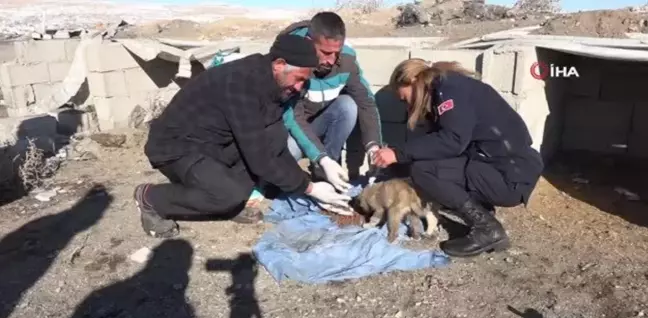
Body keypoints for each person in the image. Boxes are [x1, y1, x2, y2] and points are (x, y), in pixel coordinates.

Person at [134, 34, 353, 239]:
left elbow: (273, 147)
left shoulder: (275, 85)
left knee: (273, 141)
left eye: (304, 81)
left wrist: (320, 165)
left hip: (215, 144)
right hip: (177, 147)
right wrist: (311, 188)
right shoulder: (240, 84)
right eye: (298, 79)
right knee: (227, 195)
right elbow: (260, 159)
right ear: (279, 64)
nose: (299, 87)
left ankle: (228, 201)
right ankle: (151, 198)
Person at [373, 59, 544, 257]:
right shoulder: (445, 88)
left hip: (509, 177)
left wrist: (397, 154)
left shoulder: (450, 91)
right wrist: (397, 166)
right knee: (428, 170)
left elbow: (452, 141)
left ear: (412, 80)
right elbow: (432, 144)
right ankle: (484, 212)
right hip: (506, 169)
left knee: (425, 171)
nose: (406, 104)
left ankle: (487, 229)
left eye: (403, 98)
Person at [275, 11, 383, 193]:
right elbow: (293, 116)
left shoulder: (346, 60)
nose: (332, 60)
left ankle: (325, 172)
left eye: (336, 53)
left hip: (318, 123)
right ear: (309, 43)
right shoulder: (290, 59)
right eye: (325, 53)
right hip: (289, 127)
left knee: (347, 105)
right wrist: (321, 157)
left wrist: (373, 147)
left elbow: (366, 102)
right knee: (287, 154)